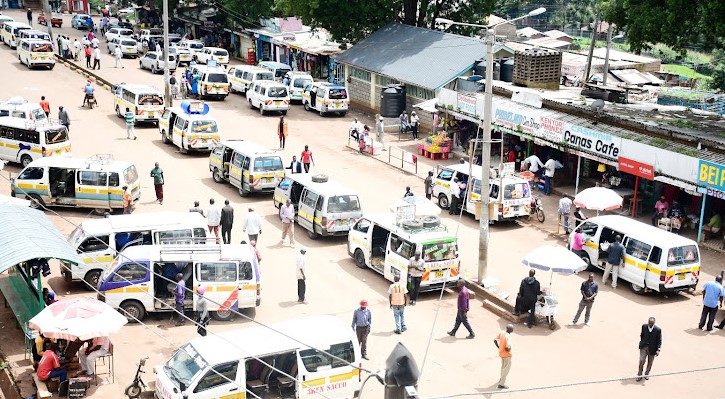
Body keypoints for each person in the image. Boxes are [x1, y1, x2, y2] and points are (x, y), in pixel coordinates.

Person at [637, 317, 661, 381]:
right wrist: (642, 343)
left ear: (654, 323)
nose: (649, 324)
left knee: (650, 362)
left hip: (652, 349)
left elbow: (659, 341)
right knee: (642, 360)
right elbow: (642, 335)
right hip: (643, 347)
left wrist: (658, 350)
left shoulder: (657, 330)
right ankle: (639, 374)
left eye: (651, 323)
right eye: (649, 323)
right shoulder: (644, 326)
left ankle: (647, 374)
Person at [493, 324, 514, 389]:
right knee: (506, 369)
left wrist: (499, 347)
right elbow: (508, 347)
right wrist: (509, 348)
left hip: (501, 353)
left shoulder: (502, 332)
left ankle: (501, 378)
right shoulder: (508, 337)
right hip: (507, 355)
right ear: (511, 330)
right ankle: (501, 384)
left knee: (503, 367)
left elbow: (495, 340)